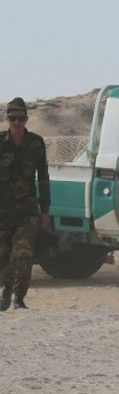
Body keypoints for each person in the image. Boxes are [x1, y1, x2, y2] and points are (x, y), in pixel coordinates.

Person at [0, 98, 51, 311]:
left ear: (26, 119)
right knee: (3, 255)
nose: (17, 122)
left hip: (27, 209)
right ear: (7, 118)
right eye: (13, 118)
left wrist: (45, 210)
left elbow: (44, 178)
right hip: (3, 209)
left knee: (23, 254)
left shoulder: (36, 143)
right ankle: (6, 292)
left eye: (20, 118)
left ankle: (19, 298)